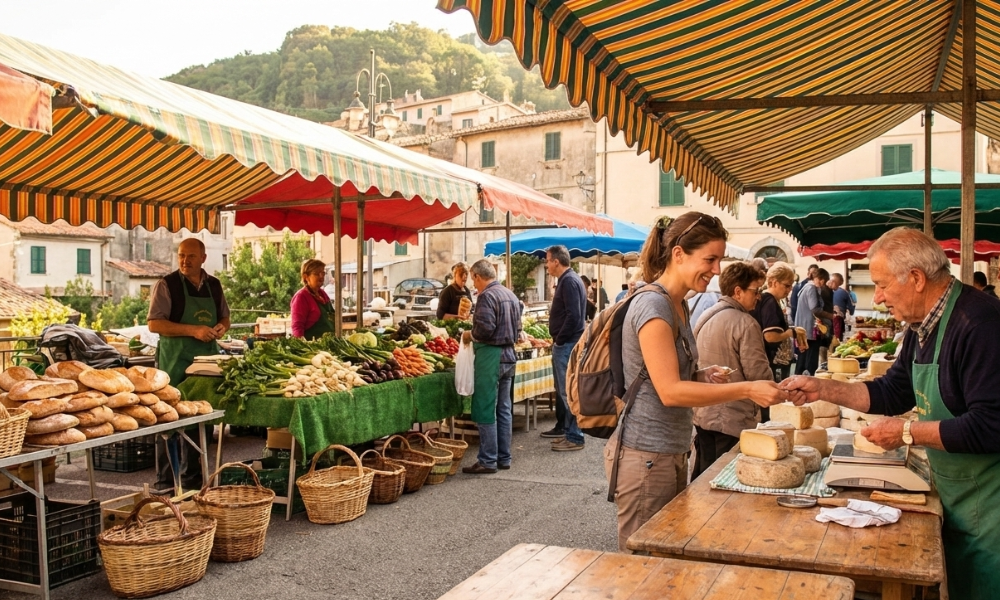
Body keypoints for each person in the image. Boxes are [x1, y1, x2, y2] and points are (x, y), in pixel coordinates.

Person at [781, 227, 1000, 600]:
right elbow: (895, 390)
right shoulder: (924, 324)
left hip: (992, 507)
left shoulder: (979, 325)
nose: (878, 298)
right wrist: (823, 389)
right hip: (961, 496)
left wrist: (907, 434)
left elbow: (992, 424)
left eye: (881, 285)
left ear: (916, 278)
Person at [603, 212, 786, 552]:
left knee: (665, 558)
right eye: (710, 259)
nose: (717, 270)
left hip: (668, 450)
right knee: (643, 564)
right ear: (678, 254)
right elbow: (670, 392)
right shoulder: (655, 304)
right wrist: (747, 388)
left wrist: (701, 376)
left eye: (718, 260)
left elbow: (662, 377)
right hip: (646, 456)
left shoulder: (678, 305)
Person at [147, 238, 230, 491]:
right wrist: (194, 330)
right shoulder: (167, 284)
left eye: (191, 256)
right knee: (168, 420)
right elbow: (155, 324)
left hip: (205, 364)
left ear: (203, 258)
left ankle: (193, 481)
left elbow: (225, 317)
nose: (185, 260)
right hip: (173, 363)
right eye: (181, 255)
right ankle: (165, 483)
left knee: (200, 418)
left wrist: (221, 327)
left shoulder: (214, 285)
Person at [691, 262, 774, 478]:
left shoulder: (705, 315)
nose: (759, 297)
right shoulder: (746, 323)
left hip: (703, 414)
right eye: (756, 291)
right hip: (732, 419)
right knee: (726, 481)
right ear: (738, 291)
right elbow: (759, 375)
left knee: (703, 481)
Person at [461, 260, 521, 474]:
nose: (473, 284)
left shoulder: (487, 296)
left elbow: (485, 329)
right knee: (504, 408)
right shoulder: (510, 294)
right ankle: (504, 457)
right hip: (509, 356)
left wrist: (470, 334)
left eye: (473, 279)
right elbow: (519, 329)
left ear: (477, 276)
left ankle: (487, 460)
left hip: (491, 356)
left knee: (486, 408)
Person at [541, 245, 587, 451]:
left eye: (547, 261)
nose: (546, 265)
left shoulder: (568, 281)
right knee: (566, 391)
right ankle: (570, 432)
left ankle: (575, 436)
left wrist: (559, 340)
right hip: (569, 342)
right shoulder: (571, 279)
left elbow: (574, 316)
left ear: (556, 262)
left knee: (568, 392)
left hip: (567, 344)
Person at [751, 262, 797, 384]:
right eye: (787, 286)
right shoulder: (769, 302)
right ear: (774, 282)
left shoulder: (768, 299)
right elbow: (770, 336)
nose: (789, 290)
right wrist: (789, 333)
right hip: (771, 361)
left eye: (791, 286)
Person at [794, 267, 833, 376]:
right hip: (809, 328)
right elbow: (815, 309)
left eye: (823, 281)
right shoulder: (811, 288)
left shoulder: (806, 287)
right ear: (817, 278)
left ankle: (798, 381)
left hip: (803, 327)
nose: (822, 283)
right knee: (810, 359)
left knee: (802, 358)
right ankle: (809, 380)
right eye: (821, 280)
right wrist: (831, 316)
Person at [290, 259, 335, 339]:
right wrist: (303, 347)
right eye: (317, 273)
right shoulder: (301, 297)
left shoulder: (323, 294)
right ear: (306, 277)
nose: (321, 276)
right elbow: (297, 327)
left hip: (329, 344)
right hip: (313, 347)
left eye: (323, 273)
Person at [830, 272, 855, 341]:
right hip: (838, 320)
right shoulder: (844, 292)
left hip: (826, 321)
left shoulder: (825, 291)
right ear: (841, 282)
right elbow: (851, 309)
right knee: (837, 340)